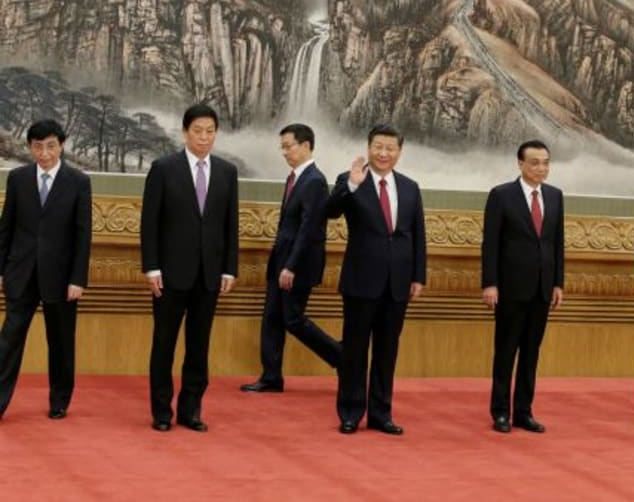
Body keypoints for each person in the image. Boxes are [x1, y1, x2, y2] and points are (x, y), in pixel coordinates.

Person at [140, 104, 238, 432]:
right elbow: (149, 223)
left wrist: (229, 269)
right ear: (185, 132)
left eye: (210, 131)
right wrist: (151, 268)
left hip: (209, 275)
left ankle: (191, 409)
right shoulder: (163, 168)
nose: (204, 137)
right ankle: (161, 411)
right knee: (163, 344)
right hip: (169, 274)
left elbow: (230, 225)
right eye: (198, 130)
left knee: (199, 345)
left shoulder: (227, 172)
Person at [326, 124, 426, 435]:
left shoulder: (410, 187)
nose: (384, 153)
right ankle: (351, 412)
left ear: (399, 152)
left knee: (387, 350)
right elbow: (328, 212)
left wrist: (418, 276)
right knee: (355, 350)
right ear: (369, 148)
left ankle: (382, 413)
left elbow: (417, 236)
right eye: (378, 147)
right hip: (361, 280)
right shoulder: (351, 180)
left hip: (397, 283)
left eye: (390, 148)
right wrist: (352, 187)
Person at [0, 119, 91, 420]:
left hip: (62, 277)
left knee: (61, 341)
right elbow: (6, 228)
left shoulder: (78, 182)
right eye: (37, 146)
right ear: (30, 147)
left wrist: (78, 278)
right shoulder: (18, 179)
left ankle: (59, 400)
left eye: (50, 146)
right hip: (21, 273)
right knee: (9, 339)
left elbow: (82, 235)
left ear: (61, 145)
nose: (44, 153)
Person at [241, 123, 341, 393]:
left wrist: (291, 266)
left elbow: (309, 230)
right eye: (282, 147)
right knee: (272, 318)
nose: (284, 152)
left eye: (288, 146)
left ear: (306, 145)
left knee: (293, 319)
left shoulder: (315, 181)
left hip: (296, 265)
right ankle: (271, 377)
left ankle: (341, 357)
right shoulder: (295, 177)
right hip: (282, 261)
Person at [482, 139, 564, 434]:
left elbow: (557, 243)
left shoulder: (555, 196)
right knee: (506, 351)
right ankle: (500, 411)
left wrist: (558, 283)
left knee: (531, 352)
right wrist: (490, 283)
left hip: (542, 289)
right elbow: (490, 244)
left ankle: (524, 411)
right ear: (520, 164)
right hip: (510, 287)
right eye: (534, 163)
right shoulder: (502, 195)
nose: (541, 168)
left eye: (545, 163)